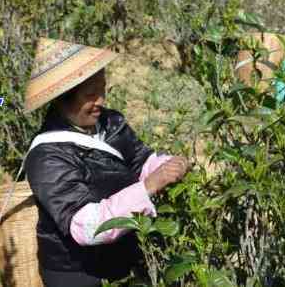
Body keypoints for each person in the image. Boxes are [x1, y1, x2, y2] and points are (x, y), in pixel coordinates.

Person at [24, 38, 190, 287]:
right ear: (62, 99)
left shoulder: (111, 123)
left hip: (123, 257)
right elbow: (87, 226)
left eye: (102, 89)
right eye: (90, 95)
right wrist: (148, 187)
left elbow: (140, 161)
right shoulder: (47, 157)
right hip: (78, 272)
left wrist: (167, 165)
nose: (100, 100)